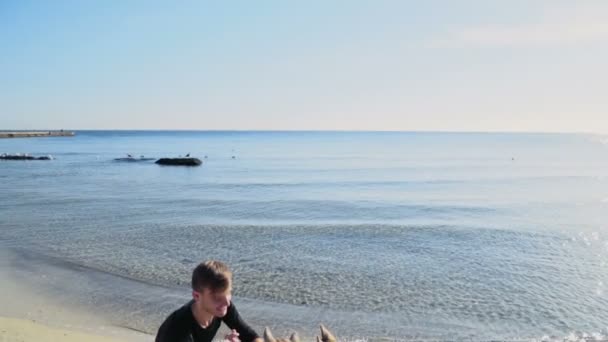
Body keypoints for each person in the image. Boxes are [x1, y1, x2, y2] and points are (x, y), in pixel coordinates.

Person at [155, 261, 262, 342]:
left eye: (228, 293)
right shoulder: (176, 331)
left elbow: (251, 336)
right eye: (217, 297)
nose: (227, 303)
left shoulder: (222, 306)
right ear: (197, 296)